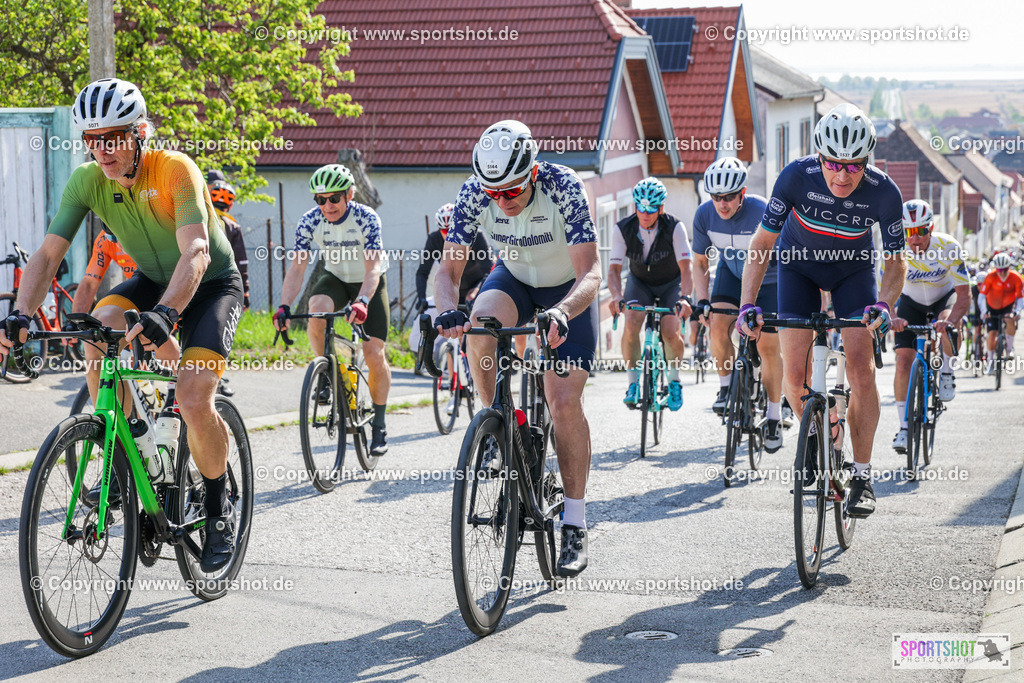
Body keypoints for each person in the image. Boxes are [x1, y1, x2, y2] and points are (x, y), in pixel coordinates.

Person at [0, 78, 244, 572]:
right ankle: (127, 444)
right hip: (152, 281)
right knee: (98, 328)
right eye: (93, 140)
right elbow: (47, 256)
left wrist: (167, 314)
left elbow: (197, 252)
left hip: (211, 284)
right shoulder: (87, 181)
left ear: (140, 133)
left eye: (113, 138)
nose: (103, 150)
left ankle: (219, 508)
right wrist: (21, 314)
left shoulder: (175, 169)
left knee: (193, 397)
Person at [435, 120, 600, 577]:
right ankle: (495, 422)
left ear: (532, 173)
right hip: (515, 279)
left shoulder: (564, 186)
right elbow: (448, 272)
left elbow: (590, 271)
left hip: (568, 289)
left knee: (563, 401)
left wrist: (563, 311)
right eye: (494, 193)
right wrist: (446, 311)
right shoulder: (475, 192)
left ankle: (575, 522)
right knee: (479, 327)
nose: (502, 201)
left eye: (511, 190)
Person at [739, 103, 906, 519]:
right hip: (799, 268)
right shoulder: (795, 177)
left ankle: (862, 476)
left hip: (854, 273)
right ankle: (816, 436)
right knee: (794, 373)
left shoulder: (885, 192)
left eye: (854, 166)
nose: (842, 175)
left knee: (861, 370)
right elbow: (762, 245)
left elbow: (896, 262)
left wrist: (884, 304)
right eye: (833, 163)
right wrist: (746, 306)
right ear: (819, 157)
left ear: (867, 161)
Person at [272, 164, 392, 454]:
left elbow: (373, 267)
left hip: (368, 282)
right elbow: (297, 268)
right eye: (320, 199)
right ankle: (326, 371)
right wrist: (284, 306)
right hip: (336, 277)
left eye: (334, 198)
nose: (327, 205)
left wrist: (363, 301)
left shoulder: (366, 218)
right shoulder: (309, 221)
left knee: (374, 353)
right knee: (316, 310)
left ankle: (379, 423)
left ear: (349, 195)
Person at [691, 157, 786, 452]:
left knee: (767, 347)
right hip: (731, 275)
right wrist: (702, 300)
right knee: (718, 326)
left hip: (769, 280)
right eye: (716, 197)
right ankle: (725, 388)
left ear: (742, 193)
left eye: (729, 197)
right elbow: (700, 262)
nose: (722, 204)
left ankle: (774, 415)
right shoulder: (704, 215)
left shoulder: (763, 210)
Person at [889, 200, 970, 452]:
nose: (915, 239)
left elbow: (964, 295)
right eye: (909, 232)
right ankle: (904, 428)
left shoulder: (949, 247)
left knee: (948, 324)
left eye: (921, 231)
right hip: (910, 303)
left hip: (943, 298)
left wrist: (951, 320)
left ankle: (946, 372)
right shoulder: (895, 249)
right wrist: (892, 316)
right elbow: (885, 293)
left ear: (931, 228)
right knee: (903, 361)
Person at [606, 177, 693, 412]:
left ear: (661, 208)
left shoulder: (675, 227)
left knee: (670, 331)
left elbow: (686, 269)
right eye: (641, 208)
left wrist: (685, 298)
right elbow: (613, 271)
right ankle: (633, 384)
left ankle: (674, 381)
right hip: (639, 283)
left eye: (651, 209)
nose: (645, 214)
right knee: (631, 324)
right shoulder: (622, 228)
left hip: (670, 284)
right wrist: (616, 296)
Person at [411, 203, 492, 378]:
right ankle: (454, 378)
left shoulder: (477, 236)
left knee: (471, 335)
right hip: (452, 289)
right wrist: (421, 298)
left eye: (451, 230)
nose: (448, 235)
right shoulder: (434, 239)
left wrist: (477, 290)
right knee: (452, 335)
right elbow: (422, 272)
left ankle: (474, 373)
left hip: (475, 288)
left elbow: (489, 270)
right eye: (444, 231)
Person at [207, 176, 251, 398]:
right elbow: (241, 262)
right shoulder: (233, 226)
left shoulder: (203, 217)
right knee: (220, 334)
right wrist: (245, 292)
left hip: (195, 283)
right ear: (230, 204)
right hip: (223, 287)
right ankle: (219, 377)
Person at [71, 228, 137, 313]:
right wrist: (77, 319)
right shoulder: (104, 239)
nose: (119, 244)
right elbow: (90, 283)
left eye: (122, 236)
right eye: (113, 238)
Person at [978, 252, 1023, 373]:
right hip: (992, 306)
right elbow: (982, 296)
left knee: (1010, 319)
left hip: (1008, 306)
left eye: (1005, 269)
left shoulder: (1016, 277)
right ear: (995, 269)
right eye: (999, 270)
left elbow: (1020, 298)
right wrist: (984, 311)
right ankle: (990, 361)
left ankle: (1009, 349)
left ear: (1009, 267)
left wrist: (1017, 311)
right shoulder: (990, 277)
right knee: (992, 334)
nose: (1002, 273)